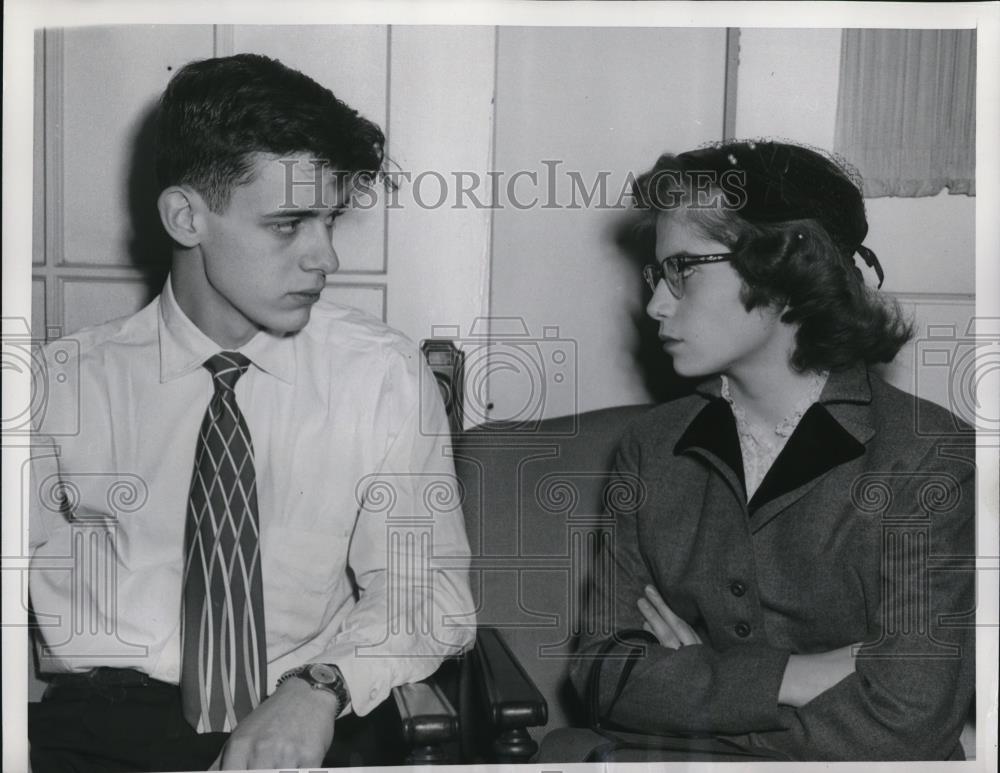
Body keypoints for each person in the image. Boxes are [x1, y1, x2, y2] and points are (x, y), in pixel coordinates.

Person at [28, 54, 475, 771]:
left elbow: (430, 592)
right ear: (186, 216)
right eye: (289, 223)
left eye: (329, 220)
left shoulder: (381, 373)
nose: (325, 255)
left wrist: (320, 686)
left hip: (310, 710)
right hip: (104, 726)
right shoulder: (57, 387)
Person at [560, 140, 975, 761]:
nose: (654, 305)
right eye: (657, 274)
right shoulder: (650, 448)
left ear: (784, 265)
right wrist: (793, 678)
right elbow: (600, 676)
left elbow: (909, 720)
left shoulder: (926, 457)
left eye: (684, 270)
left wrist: (687, 688)